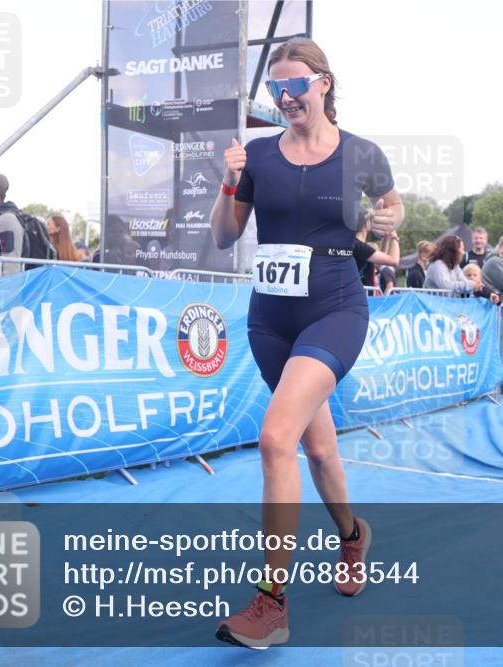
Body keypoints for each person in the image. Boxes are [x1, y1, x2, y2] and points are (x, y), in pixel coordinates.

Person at [208, 37, 403, 649]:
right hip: (270, 319)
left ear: (324, 83)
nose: (285, 97)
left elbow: (392, 207)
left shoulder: (362, 153)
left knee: (274, 438)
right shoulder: (258, 156)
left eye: (295, 85)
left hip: (335, 309)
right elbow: (223, 237)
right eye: (276, 89)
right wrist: (227, 183)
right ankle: (352, 535)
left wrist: (394, 216)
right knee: (318, 452)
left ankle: (271, 603)